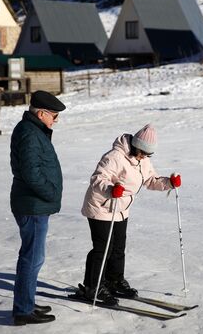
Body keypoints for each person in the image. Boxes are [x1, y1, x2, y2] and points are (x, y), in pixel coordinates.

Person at [75, 124, 182, 305]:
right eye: (141, 152)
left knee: (118, 248)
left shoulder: (143, 160)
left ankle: (114, 281)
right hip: (101, 207)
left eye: (147, 155)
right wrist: (110, 189)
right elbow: (97, 178)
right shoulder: (115, 157)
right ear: (134, 145)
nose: (143, 157)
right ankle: (93, 287)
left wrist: (169, 183)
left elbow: (150, 180)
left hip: (121, 209)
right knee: (103, 249)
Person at [10, 90, 66, 326]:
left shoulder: (33, 130)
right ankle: (23, 310)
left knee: (34, 257)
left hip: (34, 204)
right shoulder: (29, 134)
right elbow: (31, 174)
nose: (56, 119)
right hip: (32, 205)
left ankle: (27, 302)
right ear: (41, 113)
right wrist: (51, 193)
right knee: (31, 258)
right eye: (54, 114)